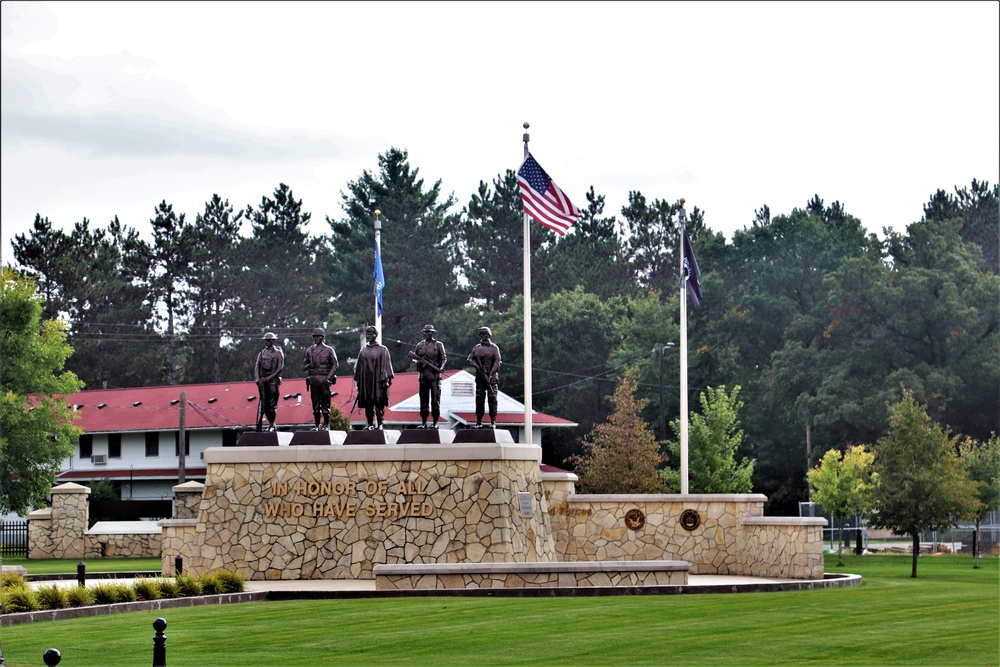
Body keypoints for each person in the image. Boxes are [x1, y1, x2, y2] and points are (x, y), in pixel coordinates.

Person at [354, 325, 394, 429]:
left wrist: (386, 380)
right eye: (368, 334)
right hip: (366, 381)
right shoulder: (363, 351)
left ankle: (380, 423)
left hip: (378, 381)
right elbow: (358, 368)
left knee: (378, 402)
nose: (369, 336)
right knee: (368, 403)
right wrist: (358, 382)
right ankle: (370, 424)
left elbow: (387, 366)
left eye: (371, 334)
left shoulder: (382, 349)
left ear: (375, 335)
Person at [408, 324, 447, 429]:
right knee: (423, 401)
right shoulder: (419, 345)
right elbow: (414, 358)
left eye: (429, 332)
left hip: (435, 377)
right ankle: (424, 422)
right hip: (424, 376)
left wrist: (441, 367)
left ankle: (435, 423)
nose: (427, 334)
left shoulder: (438, 345)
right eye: (426, 332)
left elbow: (444, 358)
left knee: (435, 401)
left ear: (433, 333)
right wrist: (421, 362)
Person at [302, 327, 339, 430]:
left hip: (324, 379)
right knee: (315, 403)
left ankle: (327, 425)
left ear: (322, 337)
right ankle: (317, 425)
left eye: (318, 336)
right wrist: (310, 365)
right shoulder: (310, 350)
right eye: (315, 337)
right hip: (313, 380)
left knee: (325, 403)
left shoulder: (328, 350)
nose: (316, 338)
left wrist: (328, 378)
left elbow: (335, 365)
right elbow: (303, 367)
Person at [466, 326, 501, 428]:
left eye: (486, 334)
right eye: (482, 334)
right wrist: (477, 366)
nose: (484, 336)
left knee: (492, 399)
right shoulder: (477, 348)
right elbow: (469, 359)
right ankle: (478, 422)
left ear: (489, 334)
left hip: (492, 378)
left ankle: (493, 421)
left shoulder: (494, 348)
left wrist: (490, 374)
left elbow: (497, 361)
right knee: (479, 399)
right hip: (480, 378)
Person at [253, 332, 284, 432]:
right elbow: (257, 367)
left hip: (272, 382)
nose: (268, 342)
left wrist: (269, 378)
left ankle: (271, 424)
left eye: (270, 340)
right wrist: (258, 380)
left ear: (273, 341)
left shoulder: (278, 353)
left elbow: (279, 368)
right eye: (266, 340)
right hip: (262, 382)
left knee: (271, 405)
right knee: (264, 405)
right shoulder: (261, 353)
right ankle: (270, 424)